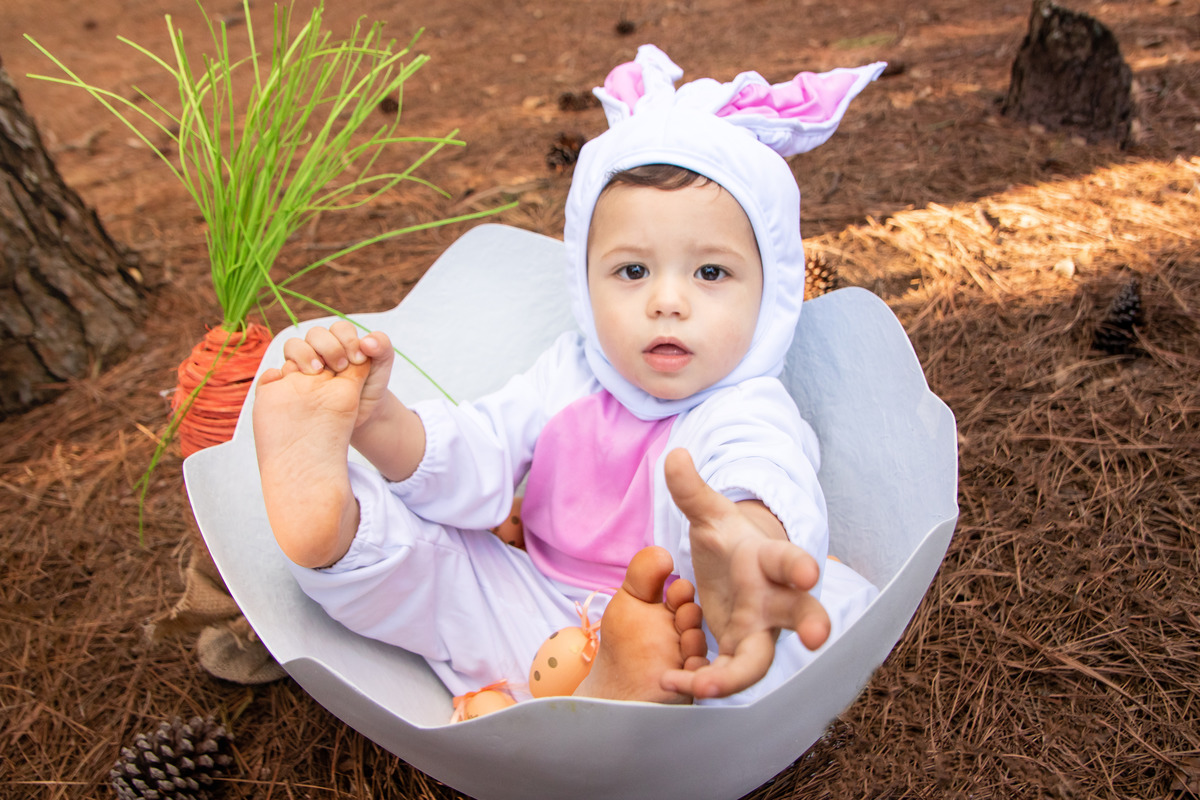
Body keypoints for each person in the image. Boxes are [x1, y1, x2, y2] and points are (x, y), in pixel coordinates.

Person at [252, 45, 886, 707]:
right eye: (633, 271)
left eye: (710, 273)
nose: (667, 302)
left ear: (771, 295)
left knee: (785, 629)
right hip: (530, 602)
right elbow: (478, 452)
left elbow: (762, 472)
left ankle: (622, 687)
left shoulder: (746, 408)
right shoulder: (569, 374)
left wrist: (746, 543)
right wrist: (379, 422)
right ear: (584, 285)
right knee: (434, 562)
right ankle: (341, 527)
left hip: (679, 619)